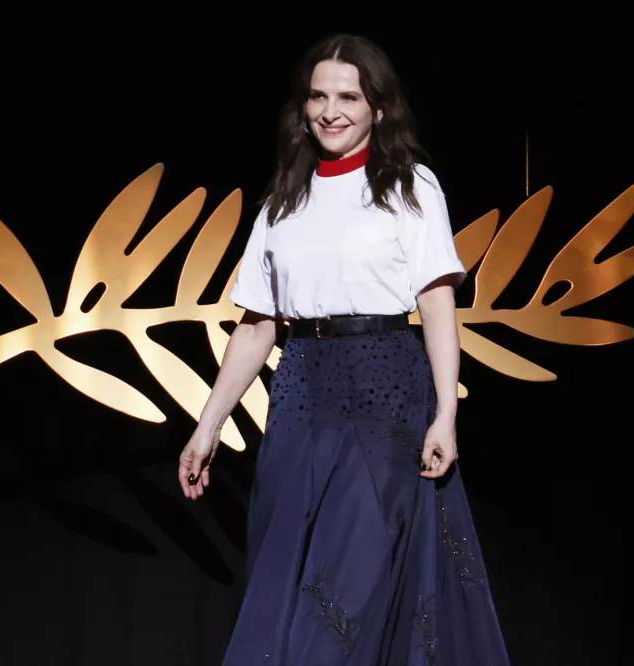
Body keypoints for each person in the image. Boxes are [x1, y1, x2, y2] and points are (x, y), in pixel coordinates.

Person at [178, 33, 509, 665]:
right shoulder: (282, 203)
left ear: (378, 108)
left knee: (351, 589)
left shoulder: (411, 186)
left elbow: (437, 303)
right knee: (288, 583)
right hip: (301, 391)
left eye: (348, 97)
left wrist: (445, 413)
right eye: (318, 96)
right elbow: (256, 327)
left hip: (384, 388)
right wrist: (207, 427)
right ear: (302, 107)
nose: (331, 110)